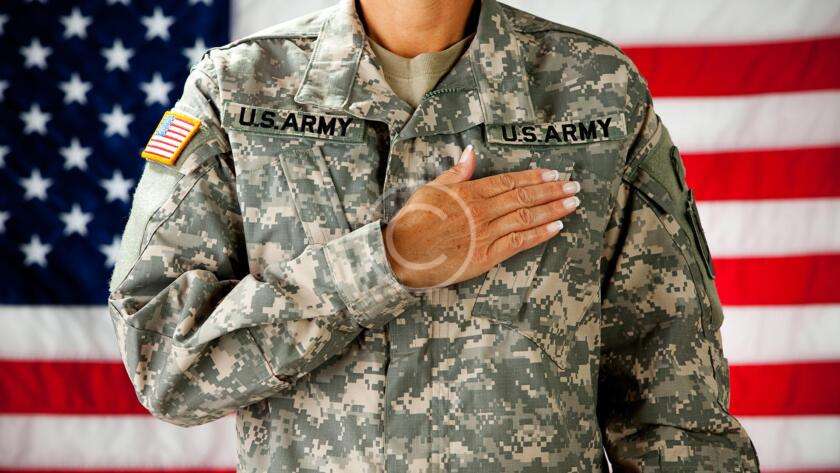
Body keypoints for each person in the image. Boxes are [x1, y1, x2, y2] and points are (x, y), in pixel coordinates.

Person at [108, 0, 759, 470]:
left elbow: (675, 408)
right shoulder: (240, 90)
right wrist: (387, 261)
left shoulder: (595, 91)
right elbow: (163, 364)